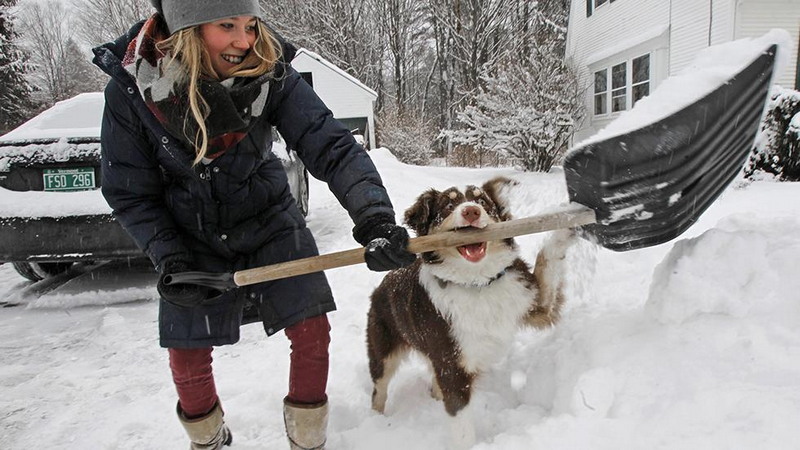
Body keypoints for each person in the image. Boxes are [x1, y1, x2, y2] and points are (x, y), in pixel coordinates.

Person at [91, 1, 416, 449]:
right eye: (227, 26)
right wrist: (171, 258)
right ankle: (208, 440)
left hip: (268, 218)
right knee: (186, 352)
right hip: (188, 235)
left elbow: (331, 145)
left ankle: (308, 440)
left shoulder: (270, 71)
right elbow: (130, 191)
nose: (244, 41)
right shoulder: (132, 90)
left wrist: (374, 217)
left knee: (310, 329)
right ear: (186, 29)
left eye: (249, 25)